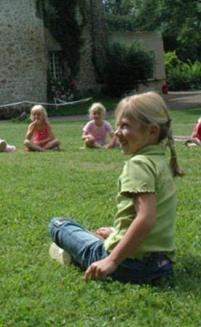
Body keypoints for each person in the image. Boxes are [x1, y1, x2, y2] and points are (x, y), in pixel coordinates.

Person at [48, 92, 184, 284]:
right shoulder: (161, 162)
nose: (118, 132)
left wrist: (111, 261)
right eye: (118, 125)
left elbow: (146, 218)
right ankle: (114, 239)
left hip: (128, 266)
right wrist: (116, 233)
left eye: (126, 126)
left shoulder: (139, 164)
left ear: (152, 131)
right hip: (162, 265)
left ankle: (72, 254)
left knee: (58, 225)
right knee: (98, 234)